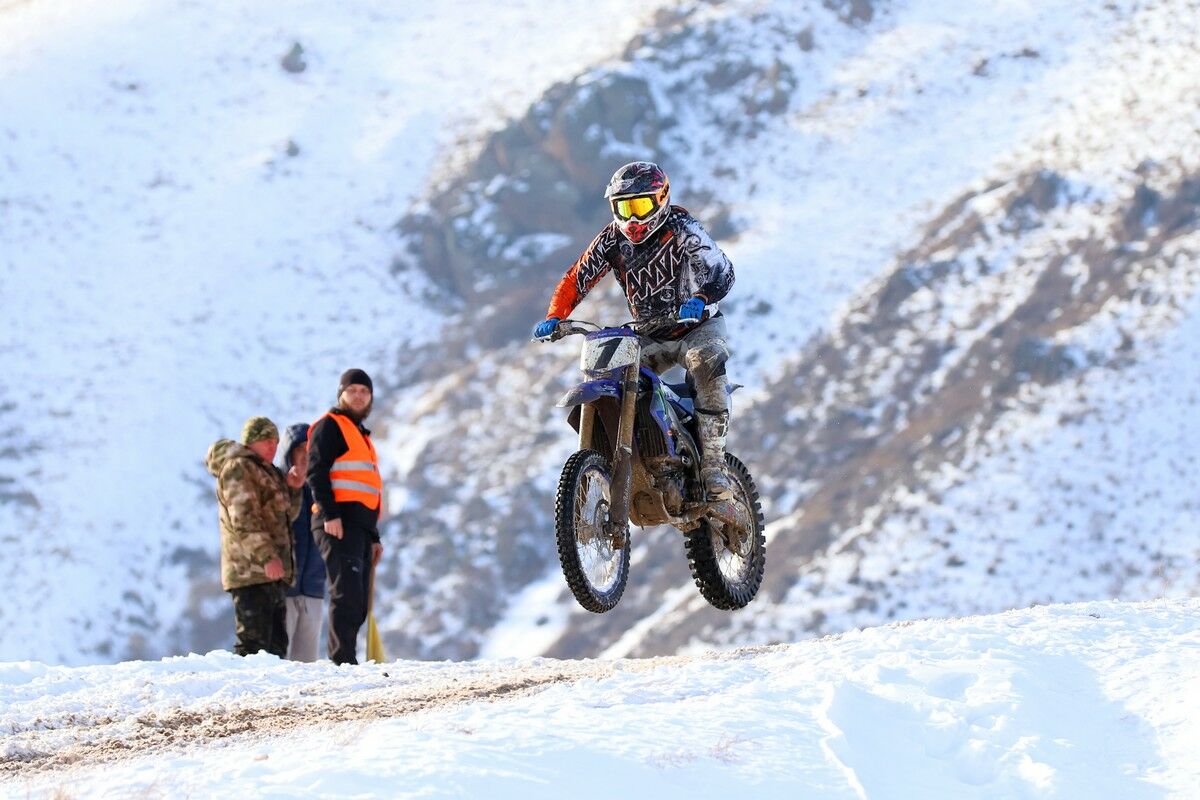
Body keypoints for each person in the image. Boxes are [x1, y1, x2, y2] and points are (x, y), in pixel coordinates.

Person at [532, 161, 737, 498]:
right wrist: (556, 315)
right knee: (611, 375)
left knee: (707, 362)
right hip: (646, 333)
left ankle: (714, 466)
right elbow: (576, 279)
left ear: (661, 199)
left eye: (640, 206)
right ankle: (638, 456)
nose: (632, 219)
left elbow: (723, 272)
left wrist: (700, 298)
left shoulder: (682, 227)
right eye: (623, 208)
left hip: (697, 327)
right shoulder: (612, 239)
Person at [204, 416, 304, 657]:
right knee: (253, 645)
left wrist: (293, 488)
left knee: (275, 647)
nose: (272, 446)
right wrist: (267, 556)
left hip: (271, 573)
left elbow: (286, 516)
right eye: (266, 440)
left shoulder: (268, 472)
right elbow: (244, 519)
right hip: (250, 571)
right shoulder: (239, 468)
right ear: (250, 441)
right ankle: (243, 683)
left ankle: (268, 684)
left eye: (275, 442)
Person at [306, 369, 384, 665]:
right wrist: (330, 514)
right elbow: (316, 472)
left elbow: (368, 490)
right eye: (352, 390)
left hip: (360, 527)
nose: (358, 396)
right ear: (341, 394)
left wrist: (374, 537)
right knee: (346, 593)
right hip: (337, 522)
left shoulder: (361, 435)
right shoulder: (331, 426)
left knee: (359, 599)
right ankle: (342, 662)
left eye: (364, 391)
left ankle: (346, 659)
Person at [278, 422, 325, 662]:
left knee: (307, 668)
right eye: (300, 449)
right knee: (277, 664)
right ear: (289, 454)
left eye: (310, 449)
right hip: (284, 590)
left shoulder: (323, 490)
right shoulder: (276, 487)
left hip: (314, 589)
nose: (306, 455)